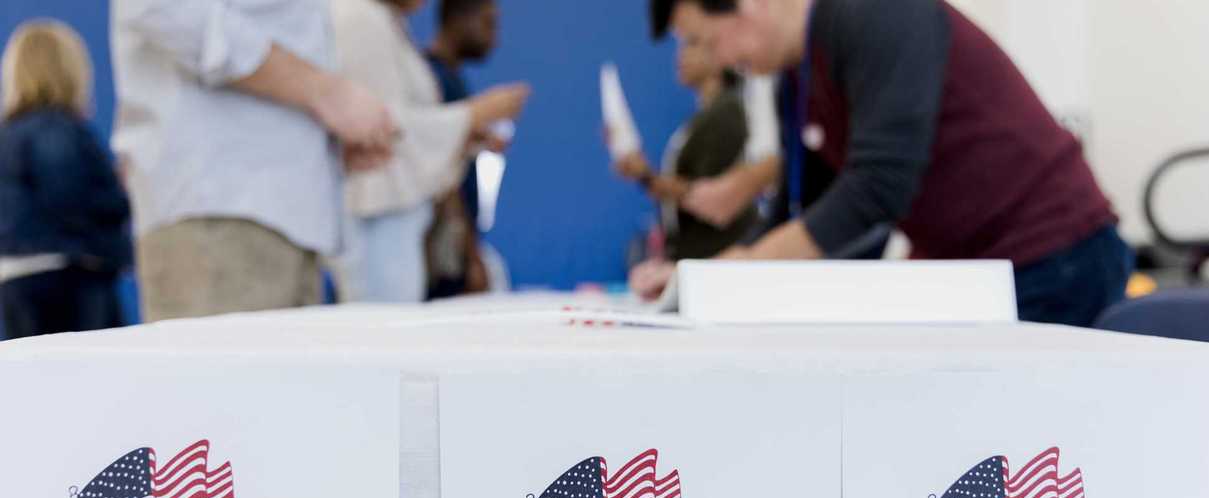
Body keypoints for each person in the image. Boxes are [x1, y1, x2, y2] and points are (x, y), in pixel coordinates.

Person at [637, 0, 1134, 327]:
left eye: (703, 39)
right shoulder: (800, 77)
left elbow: (878, 185)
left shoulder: (876, 13)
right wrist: (703, 276)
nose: (715, 60)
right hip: (975, 271)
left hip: (1053, 256)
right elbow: (803, 212)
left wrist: (747, 268)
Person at [111, 0, 399, 321]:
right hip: (223, 215)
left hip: (270, 221)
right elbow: (158, 8)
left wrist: (322, 133)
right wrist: (323, 93)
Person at [331, 0, 528, 303]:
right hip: (376, 214)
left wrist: (469, 134)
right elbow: (379, 124)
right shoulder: (359, 18)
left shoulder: (387, 23)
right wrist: (472, 116)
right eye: (489, 23)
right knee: (381, 333)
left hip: (400, 220)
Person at [0, 21, 132, 339]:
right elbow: (67, 199)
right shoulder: (56, 130)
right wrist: (114, 194)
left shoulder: (8, 138)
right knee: (91, 379)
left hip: (15, 277)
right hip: (69, 278)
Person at [613, 21, 758, 261]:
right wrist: (644, 175)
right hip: (697, 257)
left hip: (719, 257)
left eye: (692, 44)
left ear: (721, 52)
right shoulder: (704, 116)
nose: (680, 55)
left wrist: (646, 176)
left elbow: (708, 195)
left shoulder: (728, 111)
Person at [424, 0, 505, 299]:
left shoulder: (451, 79)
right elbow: (443, 176)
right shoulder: (433, 79)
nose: (494, 37)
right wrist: (471, 256)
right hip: (442, 253)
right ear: (459, 18)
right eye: (489, 23)